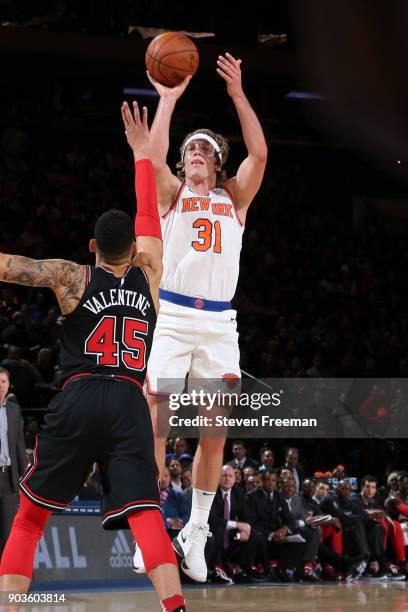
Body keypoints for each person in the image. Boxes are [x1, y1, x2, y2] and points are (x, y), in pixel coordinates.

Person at [0, 102, 186, 612]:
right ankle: (176, 608)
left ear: (92, 247)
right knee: (147, 514)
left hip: (79, 395)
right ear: (135, 249)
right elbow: (149, 215)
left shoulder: (72, 277)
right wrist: (141, 154)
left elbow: (13, 267)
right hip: (128, 400)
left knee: (31, 517)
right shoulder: (150, 274)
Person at [140, 51, 267, 582]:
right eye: (188, 149)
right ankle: (146, 523)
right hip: (173, 314)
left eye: (203, 150)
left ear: (215, 163)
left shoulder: (234, 198)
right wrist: (167, 99)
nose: (193, 153)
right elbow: (151, 155)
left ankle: (194, 529)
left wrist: (238, 94)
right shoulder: (171, 196)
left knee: (214, 430)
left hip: (218, 324)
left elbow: (259, 154)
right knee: (156, 419)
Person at [0, 368, 27, 557]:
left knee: (8, 531)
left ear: (8, 385)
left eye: (3, 382)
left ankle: (4, 579)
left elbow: (19, 445)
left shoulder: (13, 410)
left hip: (9, 478)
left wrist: (24, 479)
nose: (0, 386)